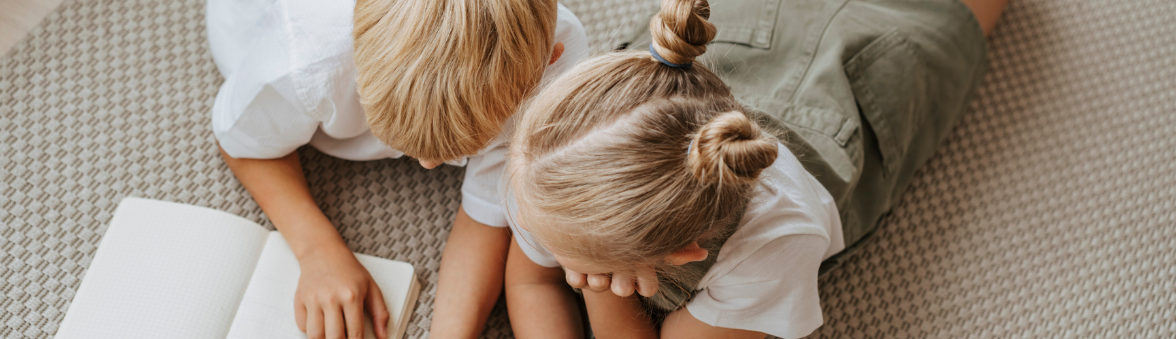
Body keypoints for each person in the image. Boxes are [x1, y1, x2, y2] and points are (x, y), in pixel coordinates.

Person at [501, 0, 1006, 337]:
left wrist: (597, 291)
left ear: (682, 253)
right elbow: (530, 284)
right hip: (751, 35)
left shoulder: (774, 247)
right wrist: (586, 268)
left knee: (946, 20)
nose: (520, 224)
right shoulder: (547, 165)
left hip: (862, 78)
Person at [204, 0, 587, 337]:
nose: (429, 165)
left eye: (458, 149)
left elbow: (488, 212)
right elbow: (240, 142)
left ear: (546, 62)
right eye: (412, 146)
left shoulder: (555, 63)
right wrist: (318, 250)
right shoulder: (306, 59)